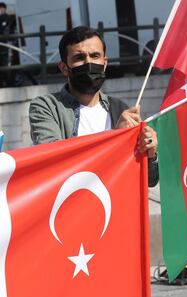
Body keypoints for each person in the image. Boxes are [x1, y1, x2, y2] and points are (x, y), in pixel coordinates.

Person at [29, 26, 159, 186]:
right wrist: (115, 137)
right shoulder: (46, 107)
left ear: (104, 63)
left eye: (95, 56)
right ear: (64, 68)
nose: (89, 63)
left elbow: (149, 181)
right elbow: (52, 160)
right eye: (79, 57)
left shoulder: (119, 108)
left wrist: (150, 154)